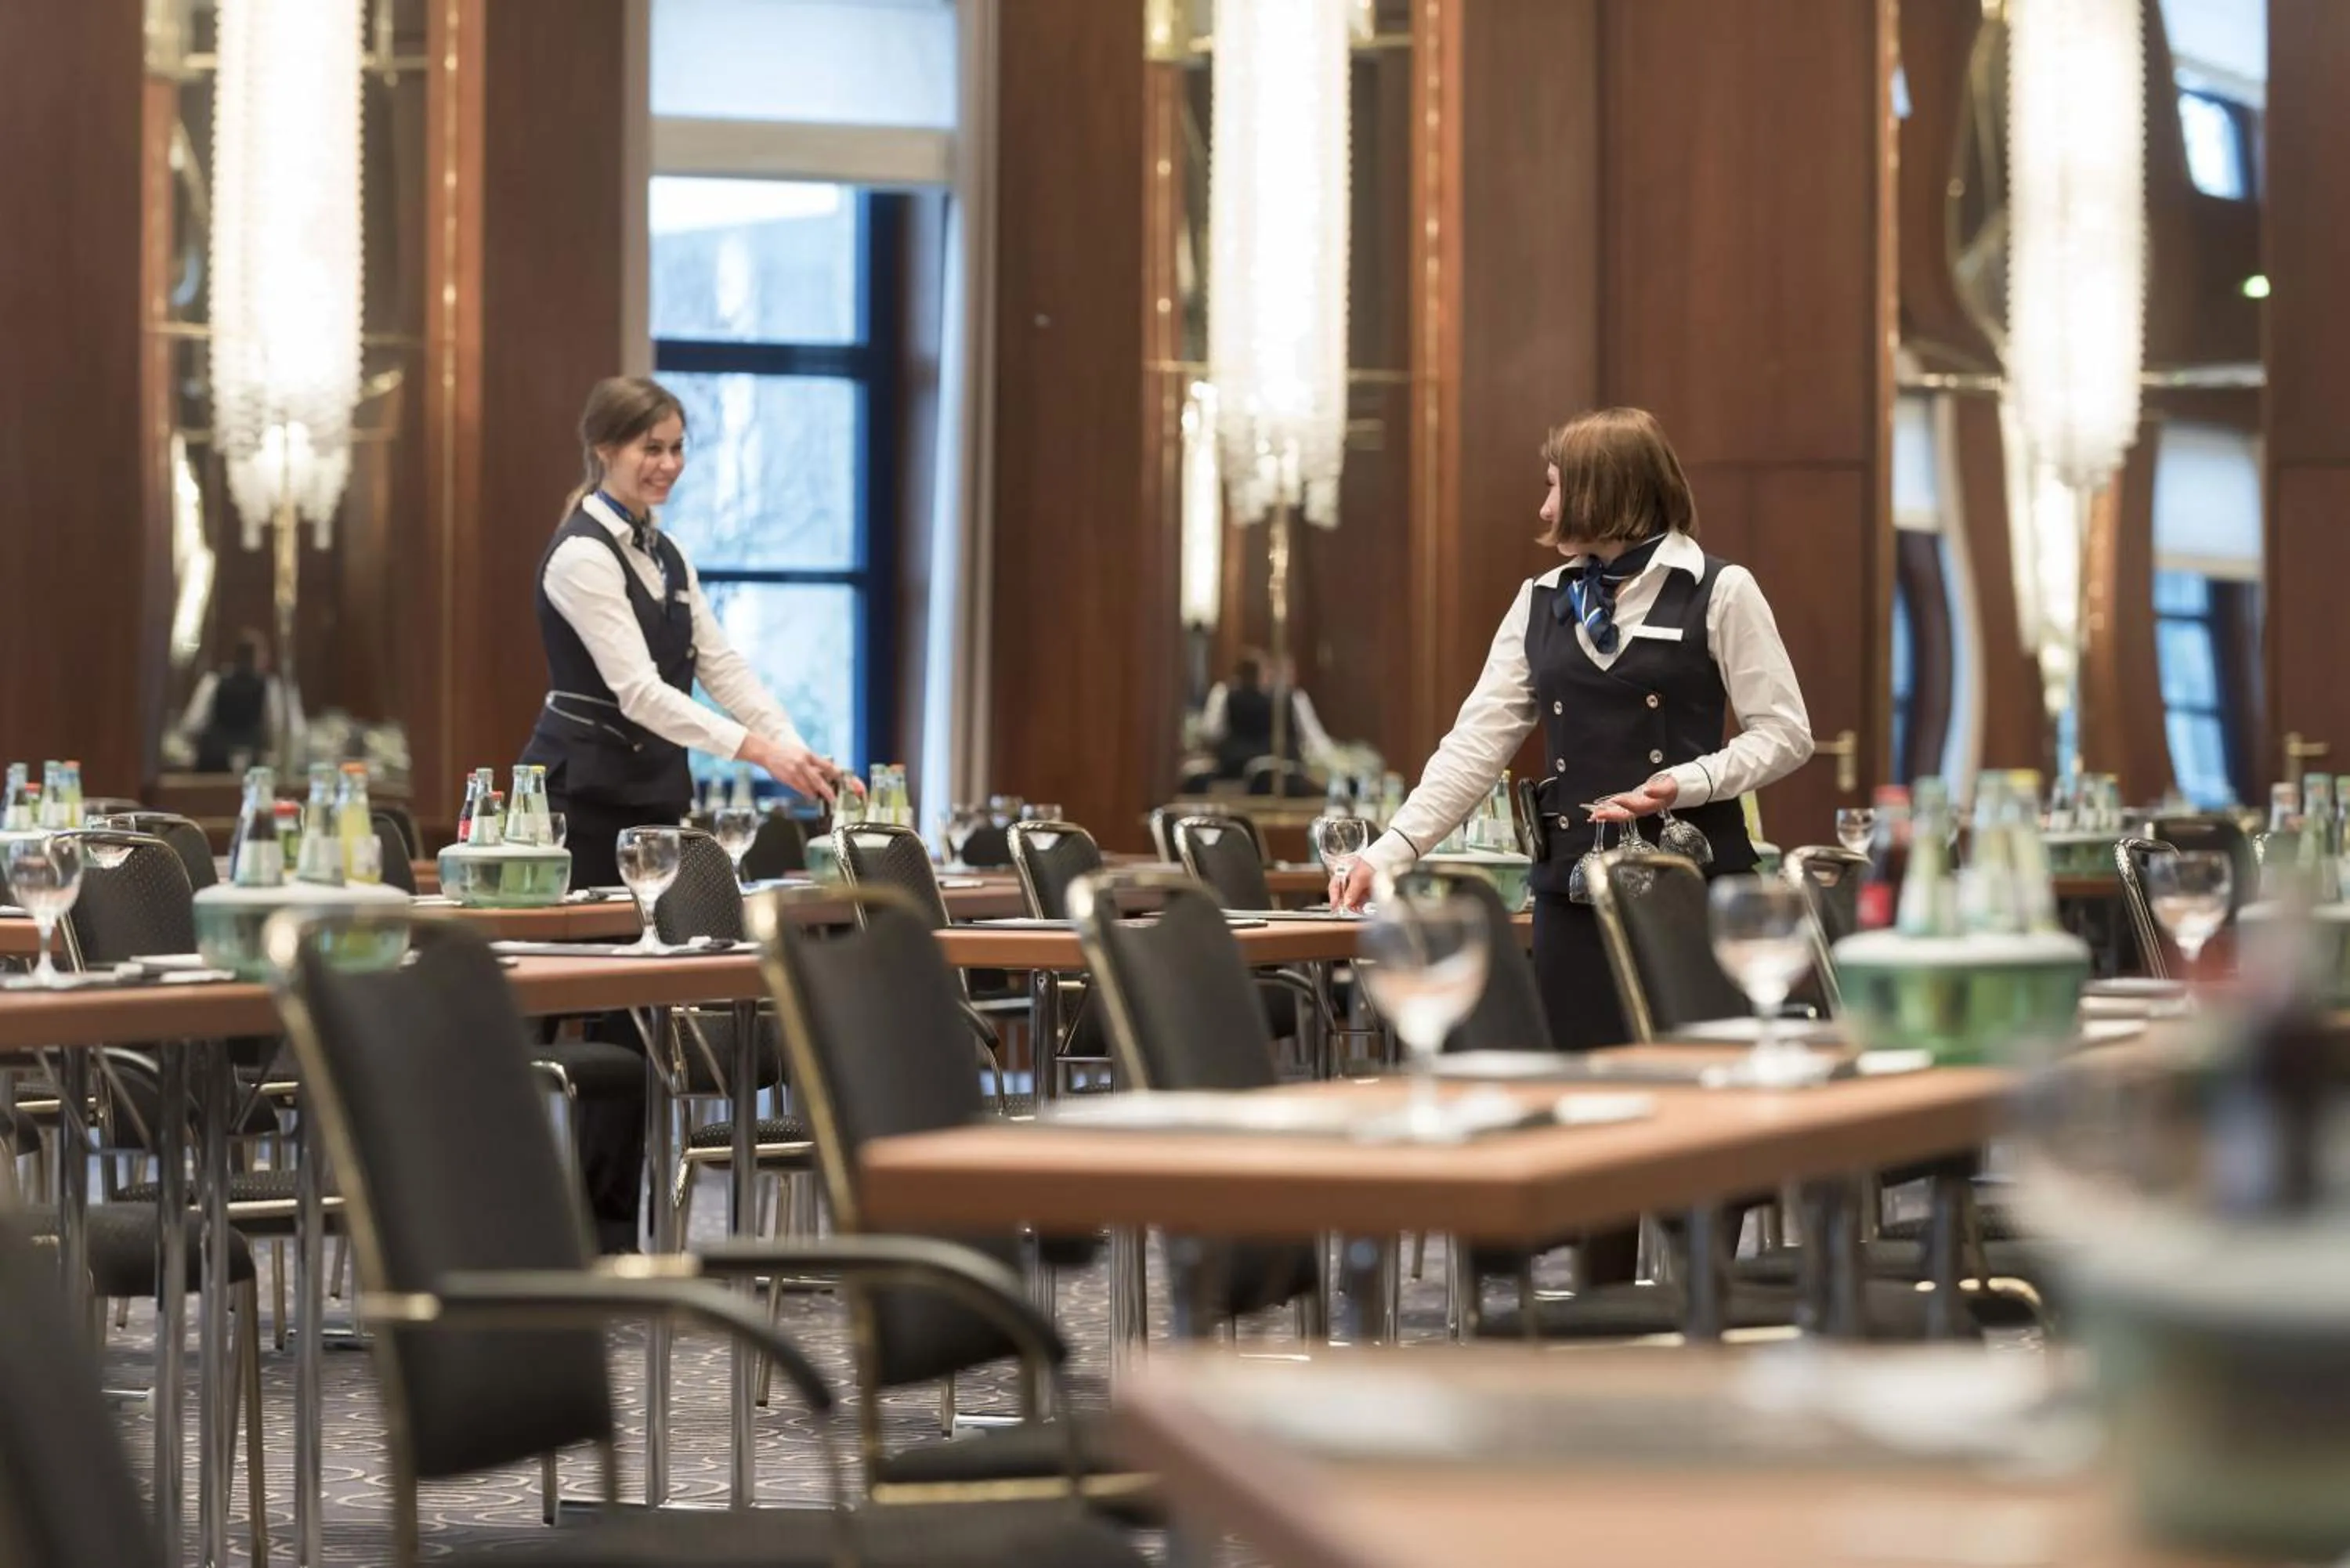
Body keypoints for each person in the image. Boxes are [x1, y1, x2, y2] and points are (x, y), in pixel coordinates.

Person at [1332, 407, 1813, 1051]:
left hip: (1691, 884)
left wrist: (1688, 781)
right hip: (1573, 889)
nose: (1543, 508)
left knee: (1695, 1083)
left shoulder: (1721, 590)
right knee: (1581, 1081)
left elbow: (1785, 732)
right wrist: (1388, 851)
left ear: (1602, 489)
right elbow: (1476, 745)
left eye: (1555, 486)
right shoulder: (1541, 598)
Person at [521, 375, 854, 1252]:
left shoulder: (666, 554)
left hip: (653, 800)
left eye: (676, 449)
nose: (666, 465)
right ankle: (519, 1228)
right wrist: (758, 754)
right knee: (556, 1019)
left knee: (638, 1015)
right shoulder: (581, 555)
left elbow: (722, 666)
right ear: (605, 450)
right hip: (577, 801)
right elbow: (638, 693)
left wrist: (796, 747)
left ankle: (607, 1237)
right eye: (650, 449)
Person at [1198, 652, 1340, 785]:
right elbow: (1315, 739)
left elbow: (1211, 732)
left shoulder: (1224, 695)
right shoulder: (1292, 699)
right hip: (1284, 766)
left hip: (1236, 767)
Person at [176, 628, 298, 772]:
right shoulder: (270, 687)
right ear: (260, 657)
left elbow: (192, 725)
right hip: (253, 767)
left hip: (214, 765)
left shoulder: (213, 683)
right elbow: (278, 729)